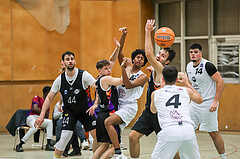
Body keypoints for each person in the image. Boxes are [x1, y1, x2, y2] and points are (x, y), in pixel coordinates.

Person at [34, 51, 98, 159]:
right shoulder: (60, 79)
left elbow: (98, 88)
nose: (70, 61)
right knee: (65, 137)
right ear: (63, 62)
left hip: (85, 111)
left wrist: (95, 104)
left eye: (72, 59)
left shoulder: (84, 75)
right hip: (70, 112)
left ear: (75, 61)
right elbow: (49, 97)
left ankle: (97, 157)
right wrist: (41, 116)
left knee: (97, 137)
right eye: (67, 59)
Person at [128, 19, 176, 159]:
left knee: (171, 148)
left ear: (166, 62)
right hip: (149, 112)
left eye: (162, 55)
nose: (158, 55)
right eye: (159, 53)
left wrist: (148, 31)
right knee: (132, 137)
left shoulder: (162, 69)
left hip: (162, 116)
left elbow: (148, 54)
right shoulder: (155, 70)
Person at [104, 27, 148, 159]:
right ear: (133, 59)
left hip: (129, 106)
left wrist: (123, 68)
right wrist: (124, 34)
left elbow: (127, 85)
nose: (139, 59)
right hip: (117, 103)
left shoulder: (143, 76)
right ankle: (115, 149)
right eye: (137, 57)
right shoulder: (127, 66)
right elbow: (119, 50)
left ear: (144, 62)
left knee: (108, 122)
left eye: (142, 59)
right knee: (106, 137)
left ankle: (118, 152)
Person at [150, 65, 202, 159]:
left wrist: (162, 87)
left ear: (163, 79)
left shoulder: (156, 94)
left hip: (169, 130)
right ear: (177, 79)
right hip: (188, 130)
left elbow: (153, 110)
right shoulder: (186, 91)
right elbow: (200, 100)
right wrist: (187, 83)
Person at [186, 43, 226, 159]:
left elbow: (220, 82)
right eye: (191, 52)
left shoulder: (207, 65)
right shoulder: (188, 66)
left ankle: (223, 156)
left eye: (196, 52)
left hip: (208, 103)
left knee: (213, 132)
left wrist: (215, 102)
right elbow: (190, 84)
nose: (193, 54)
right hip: (194, 104)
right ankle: (189, 155)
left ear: (201, 53)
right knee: (187, 128)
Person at [90, 37, 126, 159]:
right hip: (108, 115)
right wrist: (128, 69)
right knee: (112, 148)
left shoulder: (99, 79)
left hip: (101, 115)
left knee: (104, 145)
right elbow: (122, 81)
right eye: (106, 69)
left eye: (109, 68)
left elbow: (111, 60)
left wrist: (117, 48)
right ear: (100, 71)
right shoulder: (106, 79)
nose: (109, 70)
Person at [15, 86, 55, 152]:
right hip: (32, 117)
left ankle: (48, 144)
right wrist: (43, 112)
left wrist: (43, 113)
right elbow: (34, 108)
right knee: (35, 126)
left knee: (49, 122)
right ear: (46, 93)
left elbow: (46, 116)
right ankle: (20, 144)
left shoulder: (47, 103)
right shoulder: (37, 98)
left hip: (40, 118)